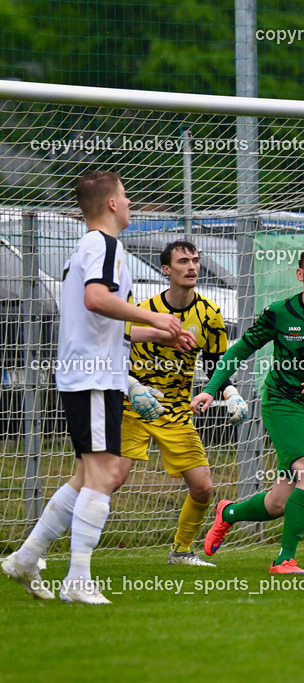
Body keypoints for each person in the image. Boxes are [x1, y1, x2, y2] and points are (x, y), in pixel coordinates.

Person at [2, 170, 184, 604]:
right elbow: (96, 299)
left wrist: (153, 334)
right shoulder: (103, 245)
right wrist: (155, 317)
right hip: (93, 377)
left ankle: (26, 557)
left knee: (86, 477)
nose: (130, 200)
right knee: (104, 476)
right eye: (125, 193)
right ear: (111, 204)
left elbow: (101, 325)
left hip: (88, 373)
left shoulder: (86, 248)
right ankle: (77, 579)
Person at [193, 247, 304, 574]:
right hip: (282, 402)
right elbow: (239, 349)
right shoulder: (279, 312)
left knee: (279, 502)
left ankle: (228, 513)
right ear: (300, 274)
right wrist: (211, 389)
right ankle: (284, 560)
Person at [121, 240, 249, 567]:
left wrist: (230, 393)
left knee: (204, 488)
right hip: (132, 405)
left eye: (195, 260)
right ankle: (45, 548)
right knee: (107, 481)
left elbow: (216, 362)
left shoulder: (208, 313)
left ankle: (180, 551)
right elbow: (115, 346)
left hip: (176, 411)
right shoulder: (143, 308)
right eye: (183, 261)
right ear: (166, 269)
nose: (192, 266)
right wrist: (133, 386)